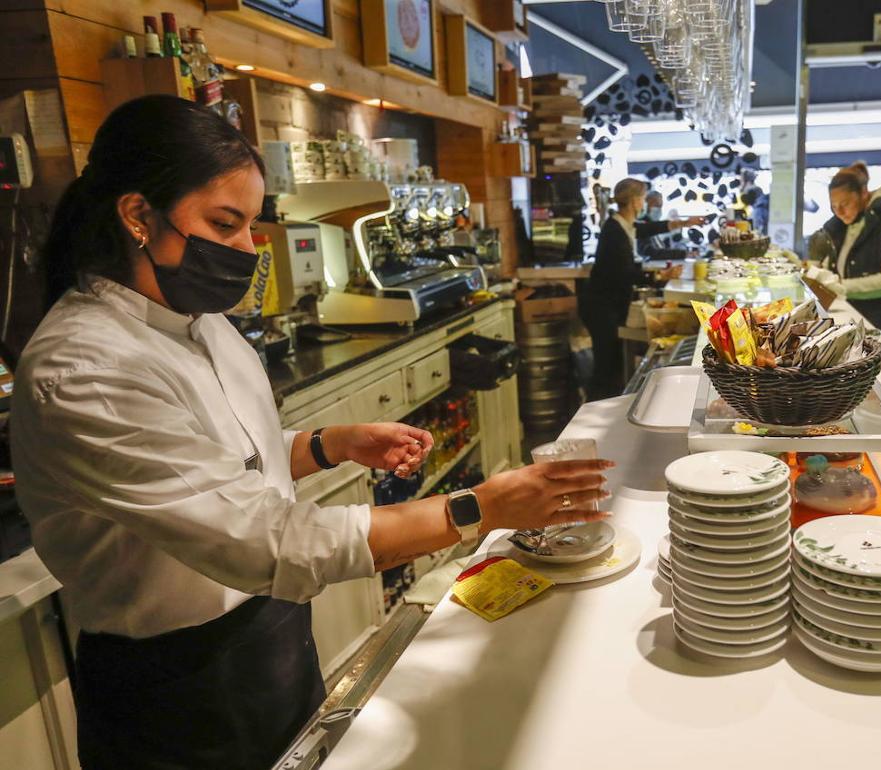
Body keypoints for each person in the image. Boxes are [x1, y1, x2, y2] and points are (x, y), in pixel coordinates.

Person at [10, 96, 612, 770]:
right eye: (225, 223)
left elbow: (228, 467)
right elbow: (259, 537)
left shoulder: (199, 322)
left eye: (250, 225)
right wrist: (478, 508)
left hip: (272, 641)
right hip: (173, 687)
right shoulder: (84, 369)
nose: (247, 248)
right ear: (137, 215)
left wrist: (330, 443)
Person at [581, 177, 705, 399]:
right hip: (601, 307)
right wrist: (659, 275)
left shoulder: (623, 224)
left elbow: (649, 228)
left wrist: (685, 223)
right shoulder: (614, 230)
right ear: (635, 201)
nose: (645, 204)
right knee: (606, 367)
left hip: (608, 304)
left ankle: (606, 407)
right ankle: (593, 410)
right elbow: (623, 274)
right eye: (644, 199)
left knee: (613, 364)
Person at [803, 161, 881, 356]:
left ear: (864, 193)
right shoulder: (843, 224)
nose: (839, 212)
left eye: (845, 204)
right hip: (853, 326)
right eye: (833, 206)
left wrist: (841, 287)